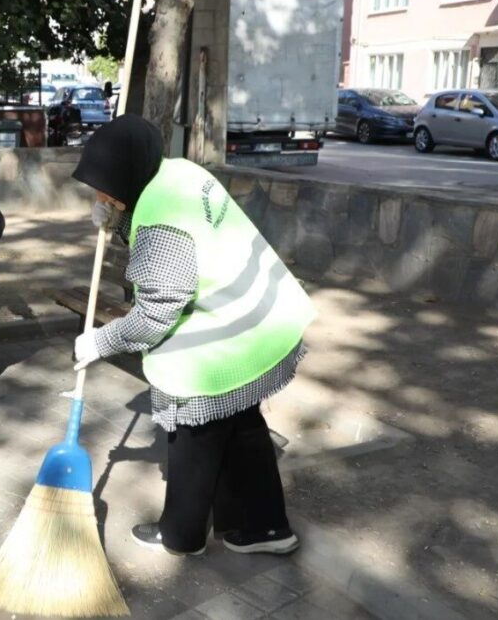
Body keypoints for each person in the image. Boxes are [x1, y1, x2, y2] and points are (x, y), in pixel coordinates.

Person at [71, 115, 316, 557]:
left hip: (230, 336)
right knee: (241, 426)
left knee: (192, 429)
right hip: (265, 315)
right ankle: (265, 528)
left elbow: (155, 314)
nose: (100, 195)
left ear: (126, 177)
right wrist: (118, 220)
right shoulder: (178, 173)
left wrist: (100, 342)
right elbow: (171, 250)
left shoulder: (162, 221)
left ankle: (181, 536)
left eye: (105, 187)